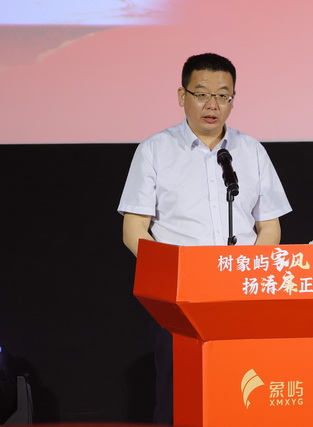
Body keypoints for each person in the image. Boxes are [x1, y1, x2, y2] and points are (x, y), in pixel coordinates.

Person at [117, 53, 292, 424]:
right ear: (182, 96)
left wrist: (249, 272)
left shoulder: (251, 151)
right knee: (178, 392)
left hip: (239, 293)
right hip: (178, 297)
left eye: (223, 96)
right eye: (202, 94)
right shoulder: (155, 150)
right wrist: (171, 276)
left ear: (233, 99)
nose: (213, 105)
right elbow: (134, 229)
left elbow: (269, 226)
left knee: (240, 388)